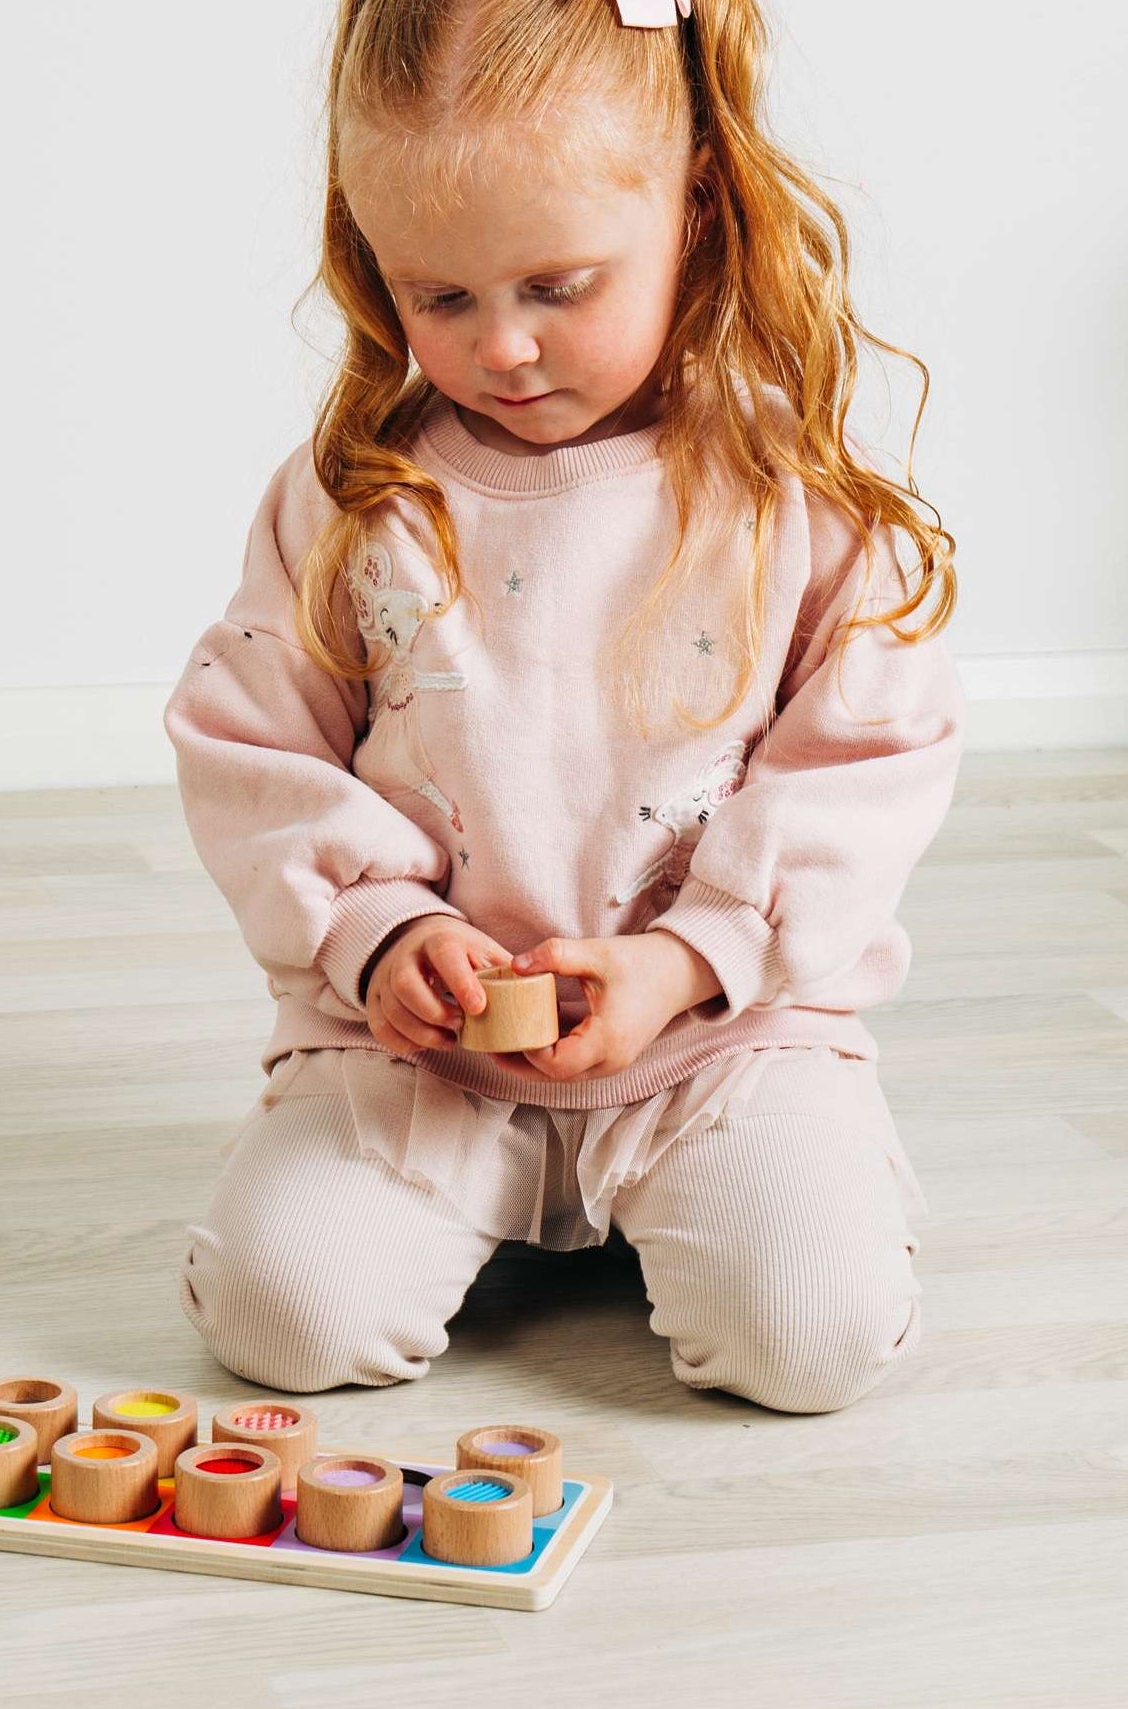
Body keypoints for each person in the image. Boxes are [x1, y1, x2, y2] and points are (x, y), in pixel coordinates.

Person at [161, 0, 966, 1415]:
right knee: (286, 1320)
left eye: (556, 285)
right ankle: (488, 1193)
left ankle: (726, 1182)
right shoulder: (358, 501)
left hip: (717, 1037)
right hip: (426, 1056)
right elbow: (253, 744)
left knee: (810, 1337)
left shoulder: (791, 493)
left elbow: (865, 759)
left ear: (694, 210)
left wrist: (689, 959)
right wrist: (377, 929)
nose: (502, 350)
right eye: (438, 296)